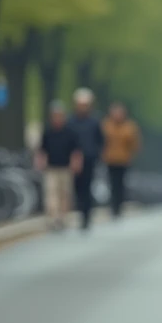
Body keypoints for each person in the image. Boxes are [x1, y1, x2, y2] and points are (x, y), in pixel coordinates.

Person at [37, 101, 82, 231]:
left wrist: (76, 163)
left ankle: (62, 217)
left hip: (66, 168)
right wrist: (40, 162)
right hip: (51, 168)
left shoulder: (70, 132)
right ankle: (53, 218)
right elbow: (42, 149)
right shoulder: (48, 132)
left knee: (64, 194)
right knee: (51, 193)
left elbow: (76, 151)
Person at [67, 87, 105, 232]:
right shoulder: (71, 122)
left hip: (89, 159)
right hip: (73, 159)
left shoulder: (94, 121)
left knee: (88, 187)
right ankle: (80, 211)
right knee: (77, 187)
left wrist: (97, 154)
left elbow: (100, 140)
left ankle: (86, 216)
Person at [101, 101, 142, 219]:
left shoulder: (129, 126)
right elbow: (101, 141)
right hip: (110, 159)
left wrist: (132, 153)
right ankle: (113, 206)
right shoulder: (106, 125)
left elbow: (135, 143)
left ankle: (119, 206)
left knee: (121, 184)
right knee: (112, 183)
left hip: (123, 160)